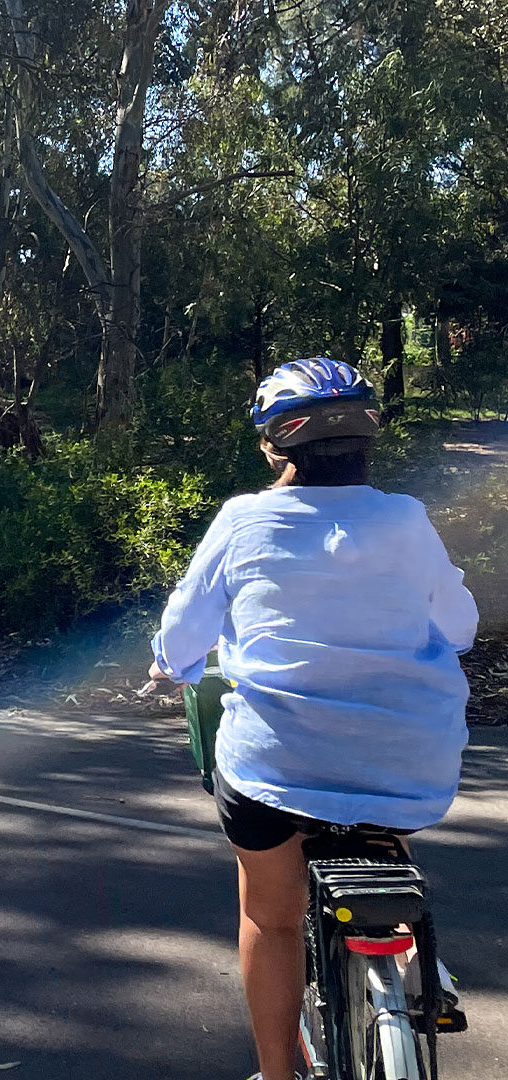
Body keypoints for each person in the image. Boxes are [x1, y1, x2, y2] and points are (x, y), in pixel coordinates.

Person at [148, 358, 477, 1080]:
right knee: (378, 809)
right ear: (368, 438)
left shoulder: (243, 519)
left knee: (272, 917)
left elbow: (184, 632)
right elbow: (460, 626)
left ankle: (275, 1074)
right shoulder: (405, 519)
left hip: (276, 766)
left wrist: (170, 665)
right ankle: (413, 951)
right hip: (413, 761)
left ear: (274, 445)